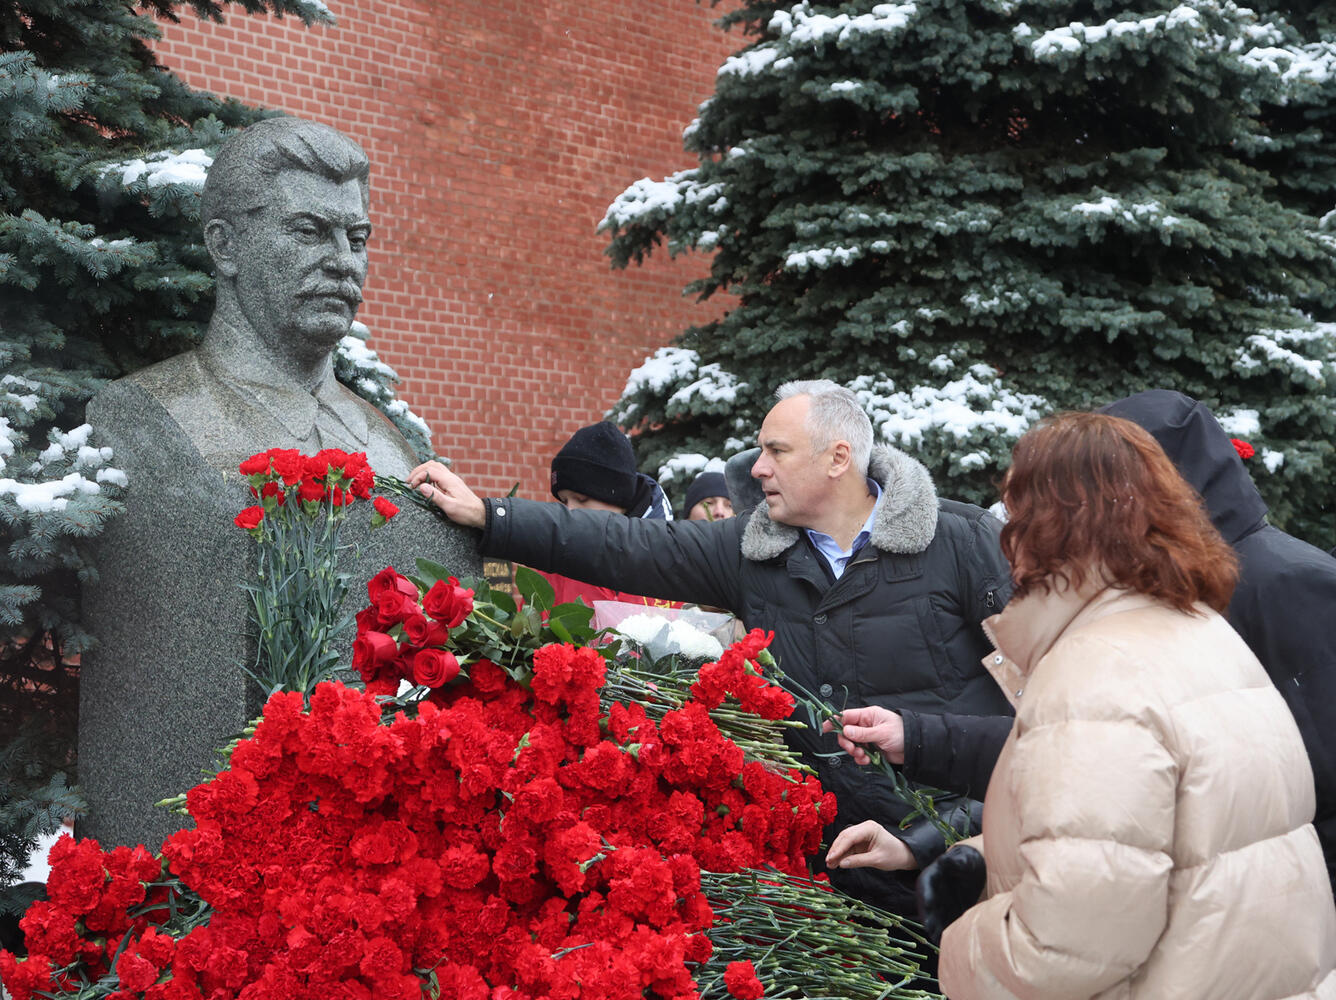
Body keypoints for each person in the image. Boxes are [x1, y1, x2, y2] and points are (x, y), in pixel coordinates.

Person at [409, 379, 1014, 915]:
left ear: (838, 458)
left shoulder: (962, 544)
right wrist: (492, 516)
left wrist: (933, 838)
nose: (757, 469)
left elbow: (1039, 717)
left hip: (970, 862)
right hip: (837, 872)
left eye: (777, 451)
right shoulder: (753, 549)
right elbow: (626, 546)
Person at [833, 412, 1336, 999]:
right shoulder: (1197, 629)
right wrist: (980, 859)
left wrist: (963, 937)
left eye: (1014, 511)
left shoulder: (1097, 668)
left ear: (1047, 527)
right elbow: (1154, 833)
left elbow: (1070, 943)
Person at [542, 420, 677, 608]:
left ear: (619, 500)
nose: (569, 511)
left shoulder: (668, 560)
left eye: (581, 499)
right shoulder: (552, 566)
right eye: (564, 501)